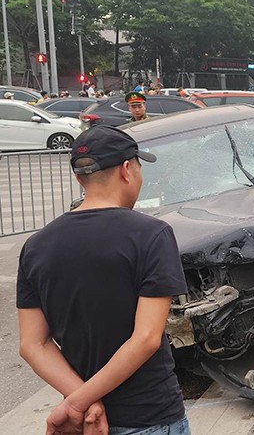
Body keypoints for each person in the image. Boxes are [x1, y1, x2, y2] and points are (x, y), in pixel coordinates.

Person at [17, 125, 189, 434]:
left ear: (78, 177)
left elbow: (33, 344)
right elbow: (146, 337)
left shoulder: (36, 246)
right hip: (150, 415)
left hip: (87, 421)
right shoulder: (151, 235)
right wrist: (80, 401)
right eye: (138, 168)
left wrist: (80, 399)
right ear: (126, 170)